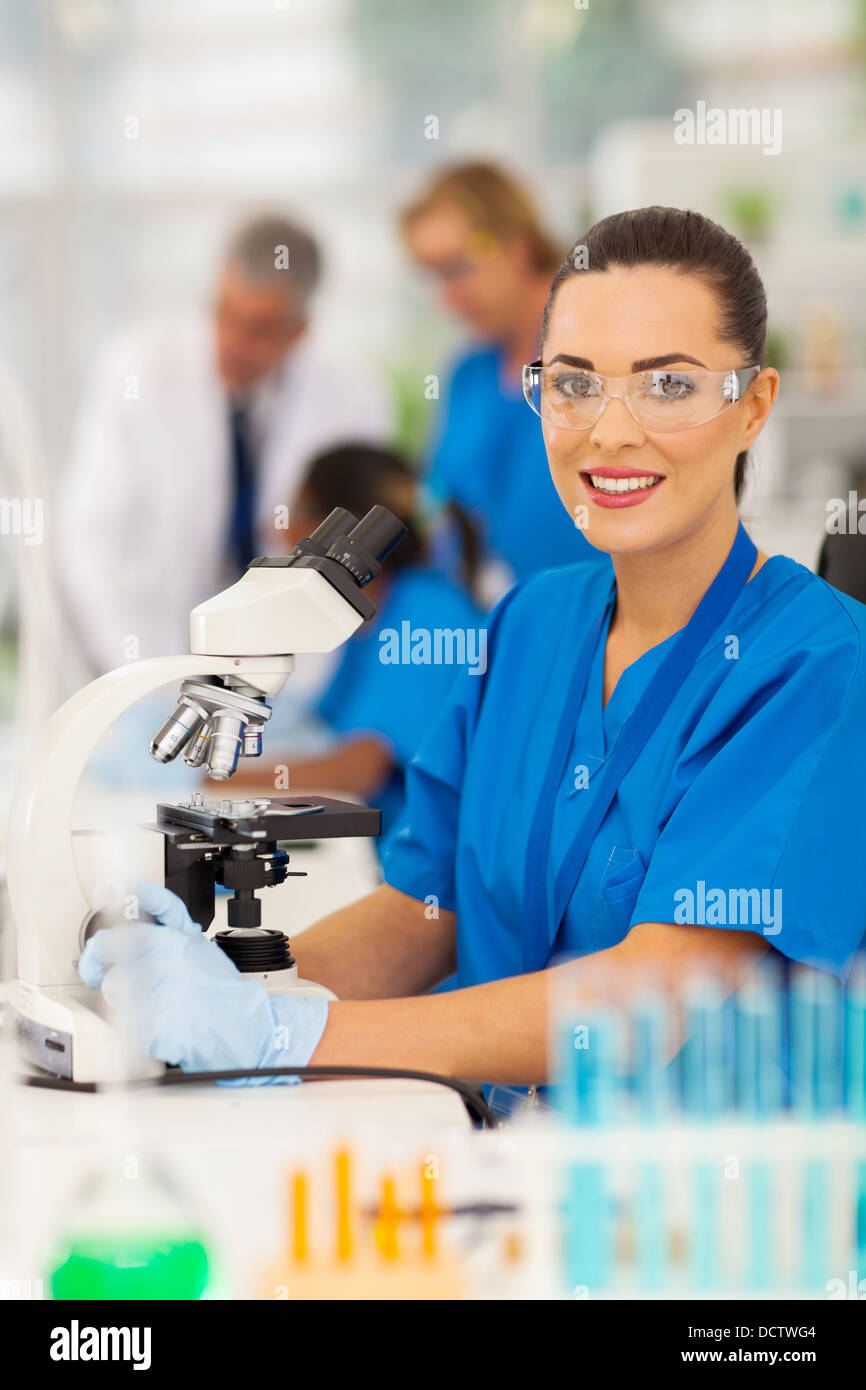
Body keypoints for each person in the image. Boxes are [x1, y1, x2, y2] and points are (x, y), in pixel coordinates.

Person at [80, 207, 866, 1090]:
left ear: (753, 404)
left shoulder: (817, 667)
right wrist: (237, 984)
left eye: (668, 385)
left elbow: (659, 996)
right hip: (497, 1153)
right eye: (573, 384)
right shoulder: (531, 624)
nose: (610, 431)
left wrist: (287, 1033)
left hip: (694, 1202)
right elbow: (427, 909)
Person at [58, 214, 390, 683]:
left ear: (299, 331)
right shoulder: (135, 371)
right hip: (144, 646)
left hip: (292, 670)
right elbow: (92, 540)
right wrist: (146, 676)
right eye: (224, 314)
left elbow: (348, 568)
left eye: (258, 329)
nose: (232, 343)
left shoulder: (355, 396)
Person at [225, 442, 485, 837]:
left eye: (300, 514)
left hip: (424, 873)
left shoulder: (430, 618)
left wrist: (207, 789)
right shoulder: (368, 615)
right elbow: (323, 727)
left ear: (353, 535)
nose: (277, 531)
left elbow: (358, 770)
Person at [401, 162, 610, 592]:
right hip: (498, 625)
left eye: (457, 268)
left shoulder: (601, 352)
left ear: (516, 245)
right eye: (433, 275)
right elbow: (439, 507)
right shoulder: (469, 375)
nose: (447, 295)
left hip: (602, 613)